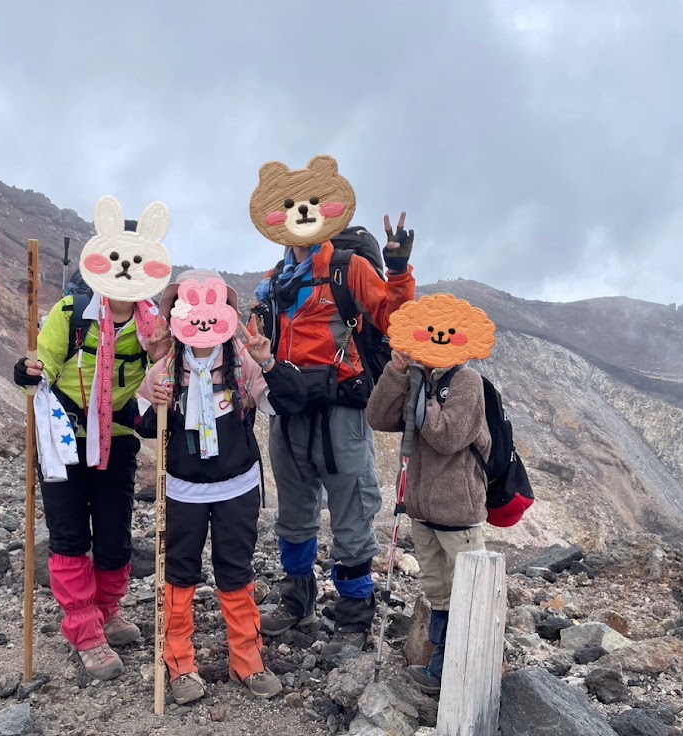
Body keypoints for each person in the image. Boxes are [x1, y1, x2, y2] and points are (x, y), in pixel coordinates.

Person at [247, 155, 415, 654]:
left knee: (352, 508)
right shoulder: (274, 281)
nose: (299, 217)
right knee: (295, 510)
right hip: (289, 408)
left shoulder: (348, 269)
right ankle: (297, 598)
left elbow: (394, 317)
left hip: (342, 409)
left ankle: (353, 613)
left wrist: (400, 269)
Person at [13, 198, 174, 680]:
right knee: (68, 536)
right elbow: (37, 374)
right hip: (62, 440)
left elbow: (163, 376)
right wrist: (25, 372)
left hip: (118, 438)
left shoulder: (155, 328)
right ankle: (84, 630)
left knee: (113, 536)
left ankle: (107, 610)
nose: (127, 271)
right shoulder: (70, 313)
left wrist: (162, 372)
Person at [136, 270, 306, 705]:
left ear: (226, 314)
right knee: (178, 573)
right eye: (191, 309)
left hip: (237, 487)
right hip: (181, 489)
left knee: (236, 570)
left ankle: (246, 659)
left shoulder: (243, 362)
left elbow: (286, 402)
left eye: (214, 308)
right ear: (177, 315)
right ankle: (179, 664)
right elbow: (142, 427)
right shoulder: (164, 370)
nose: (203, 320)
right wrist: (151, 405)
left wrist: (268, 362)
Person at [366, 293, 495, 695]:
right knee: (440, 597)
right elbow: (378, 417)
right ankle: (441, 671)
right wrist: (398, 373)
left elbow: (448, 436)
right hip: (424, 513)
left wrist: (420, 393)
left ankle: (468, 674)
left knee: (467, 600)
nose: (438, 339)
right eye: (430, 332)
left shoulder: (467, 382)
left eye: (447, 334)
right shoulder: (423, 378)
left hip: (458, 515)